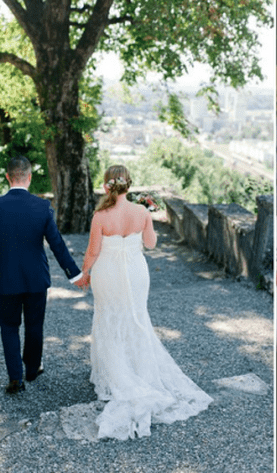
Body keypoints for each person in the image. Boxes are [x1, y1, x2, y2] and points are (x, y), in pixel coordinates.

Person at [81, 165, 212, 440]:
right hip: (136, 272)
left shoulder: (101, 215)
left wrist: (84, 272)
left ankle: (117, 374)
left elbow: (93, 250)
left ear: (107, 186)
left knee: (109, 318)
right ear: (129, 185)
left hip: (109, 273)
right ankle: (137, 369)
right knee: (136, 318)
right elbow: (151, 244)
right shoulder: (141, 212)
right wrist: (146, 221)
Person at [0, 156, 88, 394]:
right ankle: (31, 370)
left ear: (8, 176)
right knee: (34, 325)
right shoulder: (42, 207)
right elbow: (57, 244)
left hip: (5, 278)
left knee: (8, 326)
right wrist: (74, 274)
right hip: (37, 278)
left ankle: (15, 379)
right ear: (29, 177)